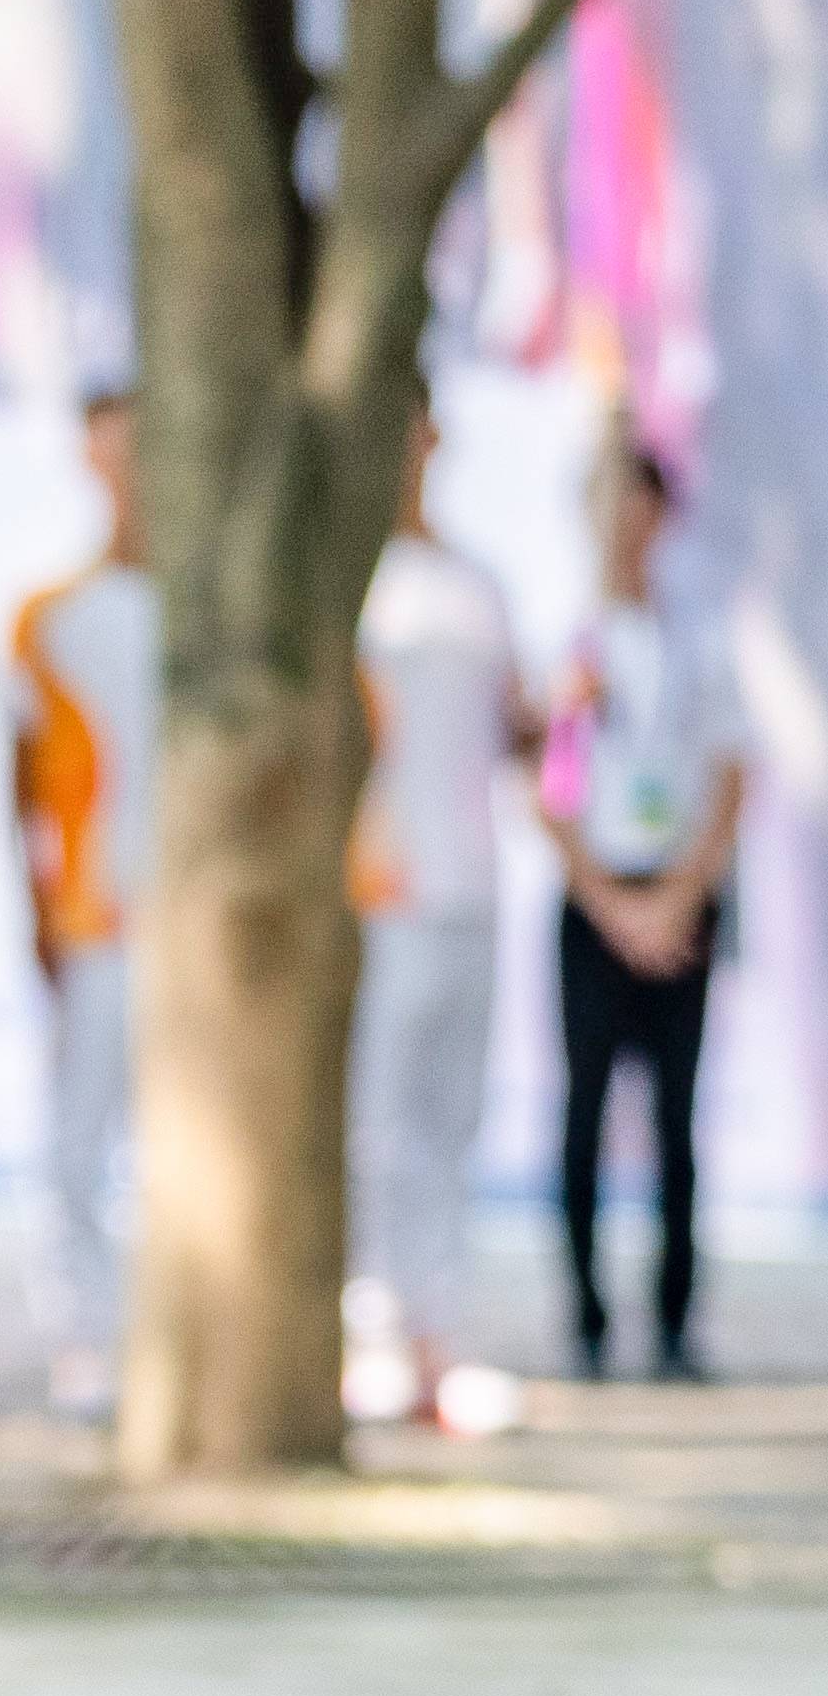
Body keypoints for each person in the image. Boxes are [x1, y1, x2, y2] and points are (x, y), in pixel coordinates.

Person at [547, 432, 743, 1383]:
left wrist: (676, 899)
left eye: (638, 501)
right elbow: (552, 790)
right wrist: (608, 904)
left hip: (679, 894)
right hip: (599, 898)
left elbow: (728, 777)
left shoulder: (696, 637)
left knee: (675, 1117)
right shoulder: (572, 643)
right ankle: (584, 1317)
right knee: (583, 1111)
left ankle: (672, 1320)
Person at [349, 415, 527, 1419]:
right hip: (384, 889)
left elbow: (510, 725)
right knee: (379, 1119)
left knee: (450, 1118)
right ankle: (372, 1325)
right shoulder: (351, 590)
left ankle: (439, 1334)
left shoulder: (477, 584)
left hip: (472, 885)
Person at [9, 392, 156, 1419]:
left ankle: (165, 1333)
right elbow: (14, 783)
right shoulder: (48, 614)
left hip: (187, 935)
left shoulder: (213, 615)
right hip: (90, 921)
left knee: (179, 1150)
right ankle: (80, 1339)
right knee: (77, 1137)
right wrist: (35, 909)